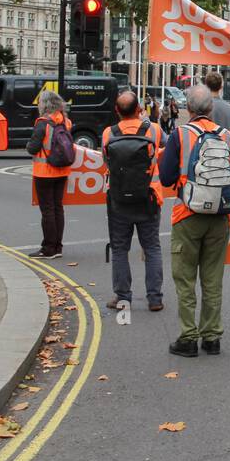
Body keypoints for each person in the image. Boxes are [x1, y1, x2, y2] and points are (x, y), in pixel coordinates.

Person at [158, 84, 230, 357]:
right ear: (210, 108)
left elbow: (166, 177)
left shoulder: (180, 135)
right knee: (212, 278)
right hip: (219, 217)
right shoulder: (226, 136)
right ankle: (211, 337)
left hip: (188, 214)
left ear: (189, 109)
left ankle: (188, 337)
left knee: (185, 279)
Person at [102, 90, 165, 313]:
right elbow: (163, 151)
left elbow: (106, 161)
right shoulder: (154, 130)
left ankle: (122, 297)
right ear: (140, 109)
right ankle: (155, 298)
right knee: (152, 247)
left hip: (119, 199)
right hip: (148, 196)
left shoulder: (108, 133)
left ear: (117, 111)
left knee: (120, 249)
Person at [26, 90, 72, 258]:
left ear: (44, 104)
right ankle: (58, 246)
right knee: (58, 208)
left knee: (47, 210)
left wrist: (28, 145)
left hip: (45, 172)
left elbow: (33, 148)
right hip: (62, 169)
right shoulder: (66, 122)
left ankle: (48, 248)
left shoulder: (42, 123)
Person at [203, 71, 230, 137]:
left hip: (205, 145)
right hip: (226, 145)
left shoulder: (201, 106)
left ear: (206, 85)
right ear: (221, 86)